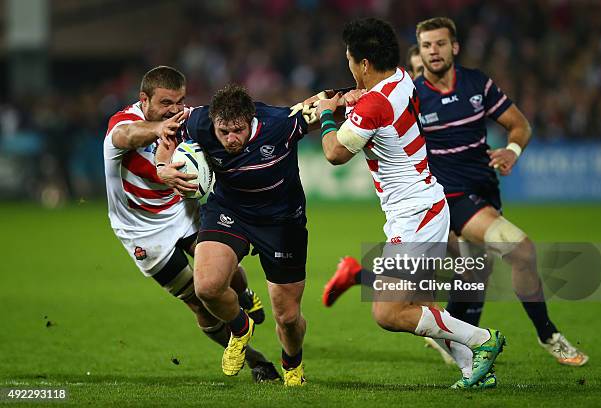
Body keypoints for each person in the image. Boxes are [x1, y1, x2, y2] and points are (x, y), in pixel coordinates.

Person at [324, 17, 588, 367]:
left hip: (465, 196)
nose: (433, 51)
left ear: (455, 47)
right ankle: (544, 335)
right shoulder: (410, 85)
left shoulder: (474, 84)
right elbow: (373, 109)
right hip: (449, 198)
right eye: (426, 45)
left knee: (463, 280)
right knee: (515, 253)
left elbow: (519, 124)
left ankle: (366, 279)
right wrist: (354, 100)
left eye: (440, 44)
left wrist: (513, 149)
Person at [315, 17, 505, 389]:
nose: (349, 67)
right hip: (425, 203)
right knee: (416, 307)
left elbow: (335, 153)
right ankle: (474, 372)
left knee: (388, 312)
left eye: (351, 61)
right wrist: (352, 99)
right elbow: (374, 107)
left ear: (363, 64)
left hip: (415, 213)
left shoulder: (374, 104)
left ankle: (483, 340)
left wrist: (325, 114)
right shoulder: (400, 78)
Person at [103, 66, 279, 382]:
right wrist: (157, 131)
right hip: (142, 233)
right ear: (144, 100)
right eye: (166, 103)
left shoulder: (186, 120)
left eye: (180, 101)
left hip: (183, 211)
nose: (175, 110)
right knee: (199, 304)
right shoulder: (123, 123)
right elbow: (125, 136)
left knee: (220, 273)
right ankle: (256, 360)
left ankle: (245, 295)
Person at [156, 83, 339, 386]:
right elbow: (167, 134)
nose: (230, 139)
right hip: (230, 211)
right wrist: (163, 164)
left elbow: (327, 102)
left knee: (288, 318)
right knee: (207, 287)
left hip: (282, 222)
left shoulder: (281, 123)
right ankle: (241, 328)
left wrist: (352, 97)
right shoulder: (199, 121)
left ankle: (292, 364)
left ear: (251, 120)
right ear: (213, 122)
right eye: (223, 131)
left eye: (237, 131)